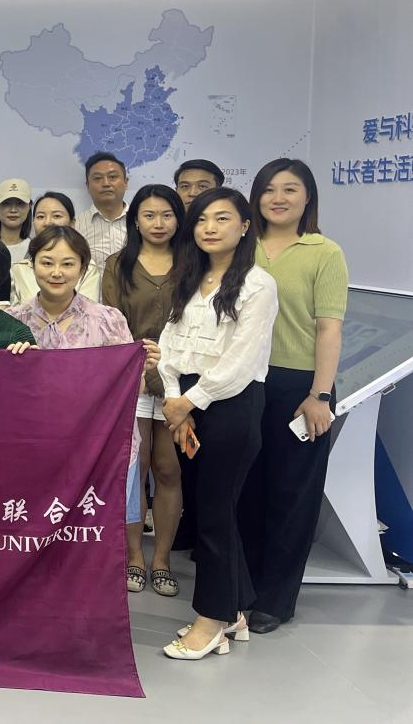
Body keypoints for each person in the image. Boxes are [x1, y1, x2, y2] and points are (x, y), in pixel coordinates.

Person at [157, 187, 279, 660]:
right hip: (186, 400)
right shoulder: (191, 276)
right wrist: (174, 397)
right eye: (202, 219)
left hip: (230, 403)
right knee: (211, 509)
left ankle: (210, 622)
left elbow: (241, 362)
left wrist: (189, 401)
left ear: (245, 226)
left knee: (214, 512)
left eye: (222, 218)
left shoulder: (258, 285)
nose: (209, 227)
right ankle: (235, 610)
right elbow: (170, 342)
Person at [240, 159, 347, 635]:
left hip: (300, 386)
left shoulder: (325, 252)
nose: (278, 198)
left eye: (290, 189)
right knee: (245, 489)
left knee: (291, 494)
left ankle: (275, 600)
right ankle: (242, 589)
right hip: (243, 381)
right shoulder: (241, 246)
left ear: (308, 197)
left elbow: (328, 329)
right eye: (269, 189)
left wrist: (320, 394)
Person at [7, 227, 158, 551]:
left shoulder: (107, 320)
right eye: (47, 262)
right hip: (33, 450)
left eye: (67, 263)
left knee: (92, 538)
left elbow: (132, 390)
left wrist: (143, 368)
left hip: (96, 449)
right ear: (32, 265)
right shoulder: (12, 321)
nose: (56, 272)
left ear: (83, 267)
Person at [102, 184, 187, 598]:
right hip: (131, 379)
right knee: (132, 471)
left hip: (177, 383)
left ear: (178, 220)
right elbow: (112, 324)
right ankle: (134, 556)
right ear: (135, 220)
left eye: (167, 215)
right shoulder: (118, 264)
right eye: (149, 215)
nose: (158, 223)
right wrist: (136, 362)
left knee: (168, 469)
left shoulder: (193, 263)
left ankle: (162, 560)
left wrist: (166, 364)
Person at [9, 192, 100, 304]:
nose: (48, 222)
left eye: (57, 216)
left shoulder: (87, 267)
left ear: (72, 223)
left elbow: (88, 309)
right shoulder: (19, 269)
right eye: (40, 216)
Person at [75, 151, 129, 272]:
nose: (106, 183)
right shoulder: (76, 226)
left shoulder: (140, 222)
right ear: (87, 186)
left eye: (113, 177)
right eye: (97, 178)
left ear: (126, 182)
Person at [0, 179, 33, 264]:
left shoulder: (35, 248)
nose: (13, 210)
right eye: (6, 203)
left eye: (20, 203)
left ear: (29, 207)